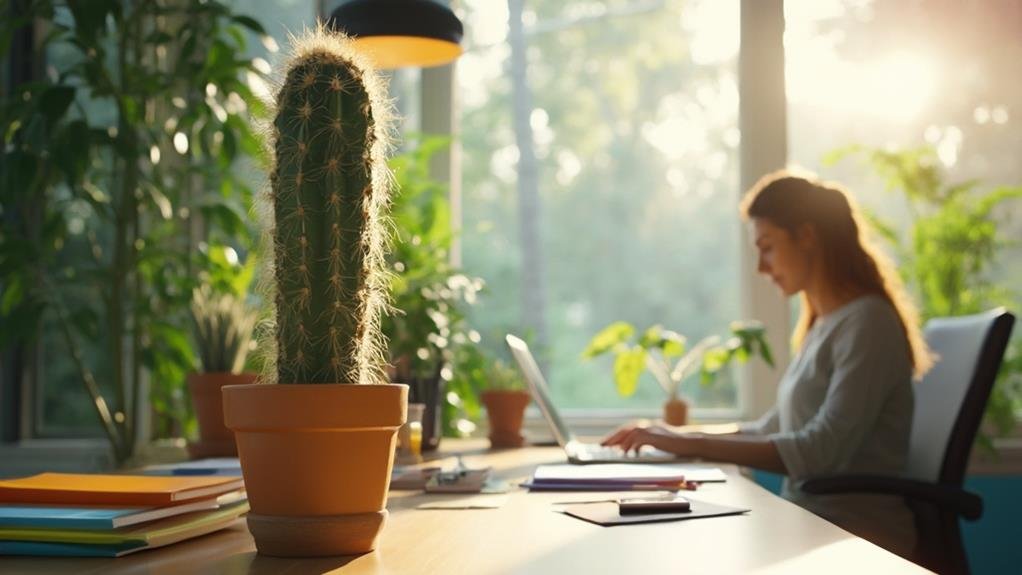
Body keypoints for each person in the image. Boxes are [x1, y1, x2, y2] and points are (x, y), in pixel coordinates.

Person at [602, 169, 934, 559]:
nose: (761, 267)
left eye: (768, 246)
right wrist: (673, 438)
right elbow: (771, 428)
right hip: (808, 520)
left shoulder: (868, 323)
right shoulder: (823, 325)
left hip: (853, 534)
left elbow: (820, 450)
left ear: (807, 236)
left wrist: (684, 441)